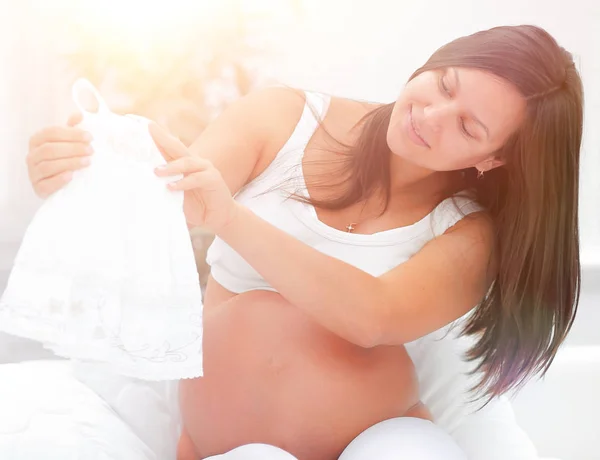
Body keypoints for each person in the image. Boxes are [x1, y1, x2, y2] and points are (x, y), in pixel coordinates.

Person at [25, 24, 583, 460]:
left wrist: (228, 216)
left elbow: (373, 315)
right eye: (443, 85)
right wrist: (80, 175)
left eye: (468, 127)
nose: (430, 117)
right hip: (232, 441)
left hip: (384, 441)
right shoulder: (284, 117)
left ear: (494, 159)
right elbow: (164, 198)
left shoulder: (470, 234)